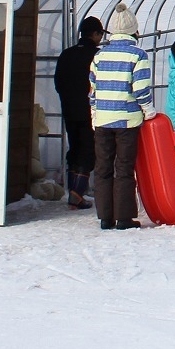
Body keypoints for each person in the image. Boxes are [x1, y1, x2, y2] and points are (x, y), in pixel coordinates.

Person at [89, 4, 154, 230]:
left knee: (103, 167)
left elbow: (93, 88)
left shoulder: (99, 55)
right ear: (134, 30)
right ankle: (124, 218)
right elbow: (141, 89)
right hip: (127, 120)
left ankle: (105, 217)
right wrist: (148, 110)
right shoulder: (138, 55)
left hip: (102, 120)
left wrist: (94, 112)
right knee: (124, 168)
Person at [53, 16, 106, 210]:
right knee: (88, 150)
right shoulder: (98, 56)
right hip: (90, 111)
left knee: (74, 148)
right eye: (100, 34)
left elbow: (58, 82)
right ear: (95, 34)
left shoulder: (66, 55)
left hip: (69, 109)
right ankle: (77, 194)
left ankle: (73, 192)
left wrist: (68, 99)